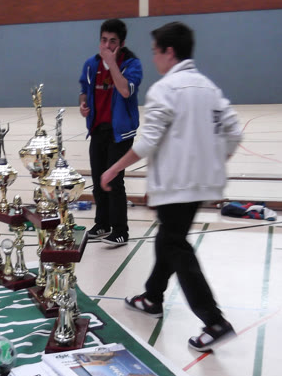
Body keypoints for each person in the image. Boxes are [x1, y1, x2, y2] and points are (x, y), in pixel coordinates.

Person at [100, 22, 243, 352]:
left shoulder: (165, 89)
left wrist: (114, 169)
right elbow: (234, 132)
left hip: (177, 184)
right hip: (201, 183)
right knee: (168, 237)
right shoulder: (208, 87)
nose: (153, 59)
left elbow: (147, 142)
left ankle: (214, 321)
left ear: (169, 52)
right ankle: (152, 297)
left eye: (155, 52)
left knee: (176, 244)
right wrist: (214, 161)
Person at [79, 18, 143, 247]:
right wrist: (83, 103)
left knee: (114, 181)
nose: (107, 45)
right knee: (98, 180)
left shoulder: (132, 64)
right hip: (98, 129)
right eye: (104, 40)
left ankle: (120, 231)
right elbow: (84, 90)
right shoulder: (91, 64)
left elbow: (125, 91)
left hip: (121, 132)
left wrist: (112, 63)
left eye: (112, 41)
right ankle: (102, 224)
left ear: (122, 43)